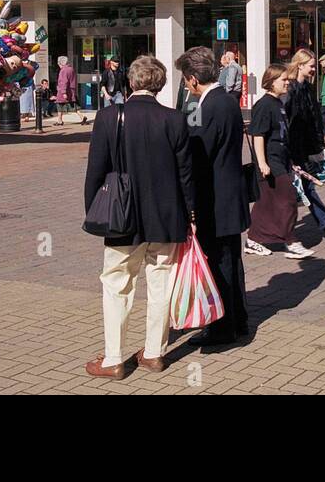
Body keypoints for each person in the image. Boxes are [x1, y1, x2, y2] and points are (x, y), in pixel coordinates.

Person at [84, 56, 194, 379]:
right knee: (161, 283)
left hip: (122, 215)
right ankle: (155, 353)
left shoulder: (108, 117)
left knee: (117, 283)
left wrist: (93, 208)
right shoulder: (175, 120)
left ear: (131, 82)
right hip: (166, 216)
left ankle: (114, 358)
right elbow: (186, 174)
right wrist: (190, 212)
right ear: (159, 85)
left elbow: (95, 172)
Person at [176, 47, 250, 347]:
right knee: (230, 260)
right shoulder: (227, 101)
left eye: (185, 79)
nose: (184, 85)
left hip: (216, 199)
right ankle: (237, 319)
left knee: (218, 263)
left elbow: (199, 157)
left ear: (194, 79)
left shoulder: (209, 107)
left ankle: (222, 326)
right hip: (229, 196)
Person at [246, 64, 314, 259]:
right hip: (270, 163)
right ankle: (291, 241)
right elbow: (258, 135)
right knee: (289, 200)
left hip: (282, 160)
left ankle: (253, 239)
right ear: (270, 81)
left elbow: (282, 136)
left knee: (266, 203)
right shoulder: (264, 105)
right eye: (283, 80)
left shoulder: (278, 104)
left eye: (287, 79)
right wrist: (262, 163)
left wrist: (291, 161)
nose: (287, 83)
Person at [284, 50, 325, 239]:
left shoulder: (306, 89)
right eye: (311, 66)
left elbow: (313, 119)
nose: (314, 70)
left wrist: (318, 144)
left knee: (305, 187)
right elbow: (289, 122)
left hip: (305, 146)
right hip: (294, 148)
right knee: (303, 188)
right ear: (300, 65)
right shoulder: (291, 90)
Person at [55, 55, 87, 125]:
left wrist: (63, 92)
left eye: (59, 63)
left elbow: (63, 82)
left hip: (64, 91)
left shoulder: (63, 70)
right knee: (74, 105)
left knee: (59, 105)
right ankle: (82, 116)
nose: (58, 65)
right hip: (71, 90)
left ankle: (59, 121)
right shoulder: (71, 69)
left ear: (61, 63)